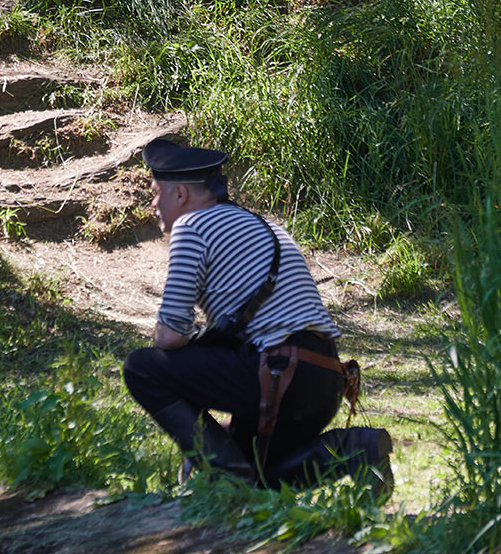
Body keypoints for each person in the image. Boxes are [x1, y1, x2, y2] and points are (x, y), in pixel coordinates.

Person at [122, 137, 394, 496]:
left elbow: (170, 336)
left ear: (180, 195)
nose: (154, 204)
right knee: (265, 480)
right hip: (324, 378)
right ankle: (353, 447)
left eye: (156, 192)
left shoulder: (192, 227)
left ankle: (227, 475)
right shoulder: (264, 226)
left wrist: (204, 438)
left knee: (142, 367)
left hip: (281, 375)